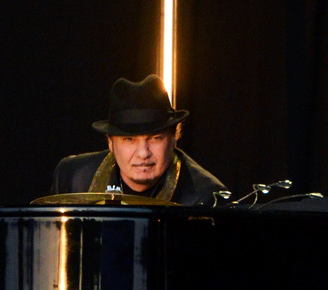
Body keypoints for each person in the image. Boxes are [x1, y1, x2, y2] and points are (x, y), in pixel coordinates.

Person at [49, 74, 228, 206]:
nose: (143, 153)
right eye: (129, 139)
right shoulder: (72, 177)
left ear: (175, 138)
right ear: (110, 142)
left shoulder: (206, 198)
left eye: (156, 138)